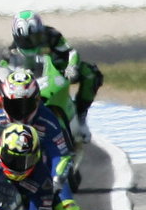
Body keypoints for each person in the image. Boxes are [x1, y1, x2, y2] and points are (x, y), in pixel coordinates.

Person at [6, 11, 103, 145]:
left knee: (91, 73)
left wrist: (72, 67)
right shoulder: (13, 48)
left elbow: (71, 52)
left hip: (59, 68)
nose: (31, 42)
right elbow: (3, 66)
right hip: (31, 75)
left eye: (35, 37)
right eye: (26, 40)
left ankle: (81, 115)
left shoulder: (52, 35)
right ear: (17, 38)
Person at [0, 68, 72, 183]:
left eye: (25, 105)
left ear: (36, 100)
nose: (19, 111)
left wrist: (56, 179)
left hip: (38, 174)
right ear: (3, 100)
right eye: (13, 105)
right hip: (1, 173)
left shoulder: (48, 120)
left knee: (64, 196)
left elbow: (60, 155)